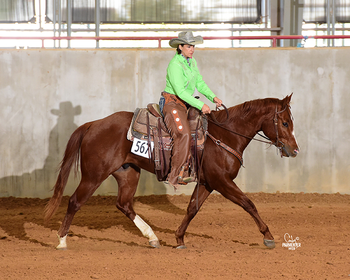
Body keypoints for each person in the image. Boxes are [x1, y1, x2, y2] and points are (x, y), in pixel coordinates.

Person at [159, 31, 223, 189]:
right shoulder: (175, 65)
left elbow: (199, 83)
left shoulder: (191, 62)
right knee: (184, 133)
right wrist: (202, 105)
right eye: (189, 46)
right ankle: (176, 174)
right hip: (172, 103)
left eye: (193, 46)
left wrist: (213, 97)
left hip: (184, 103)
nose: (192, 49)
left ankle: (194, 167)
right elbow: (180, 92)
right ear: (180, 47)